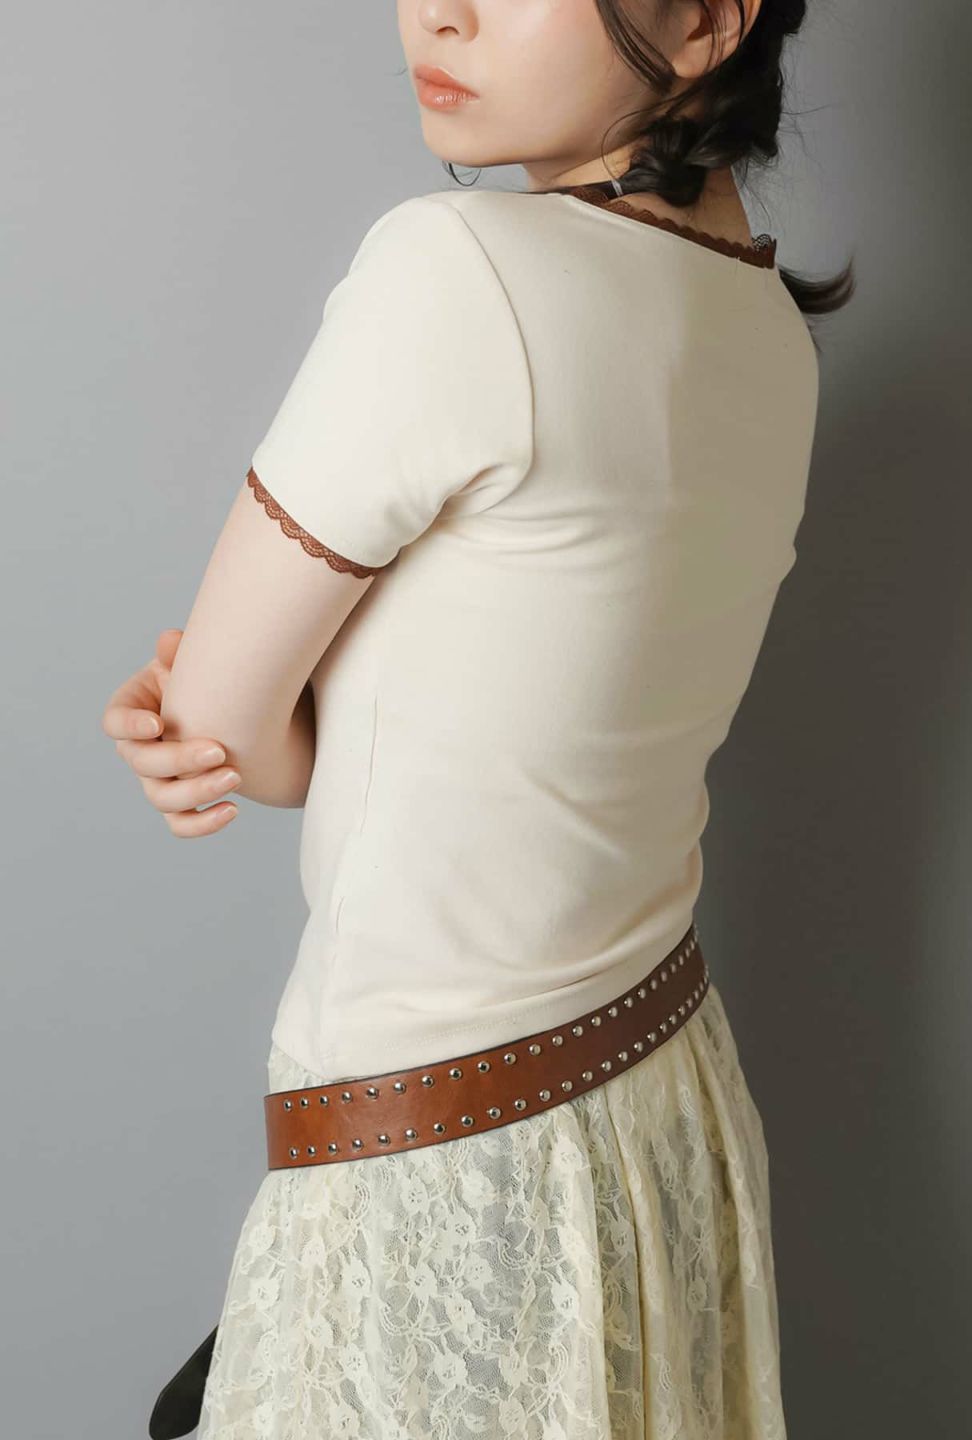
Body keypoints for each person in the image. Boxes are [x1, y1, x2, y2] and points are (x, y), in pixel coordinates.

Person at [101, 0, 853, 1434]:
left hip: (441, 1146)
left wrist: (235, 706)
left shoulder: (456, 270)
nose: (439, 13)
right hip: (657, 1105)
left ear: (707, 21)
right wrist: (274, 715)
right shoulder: (767, 333)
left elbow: (227, 731)